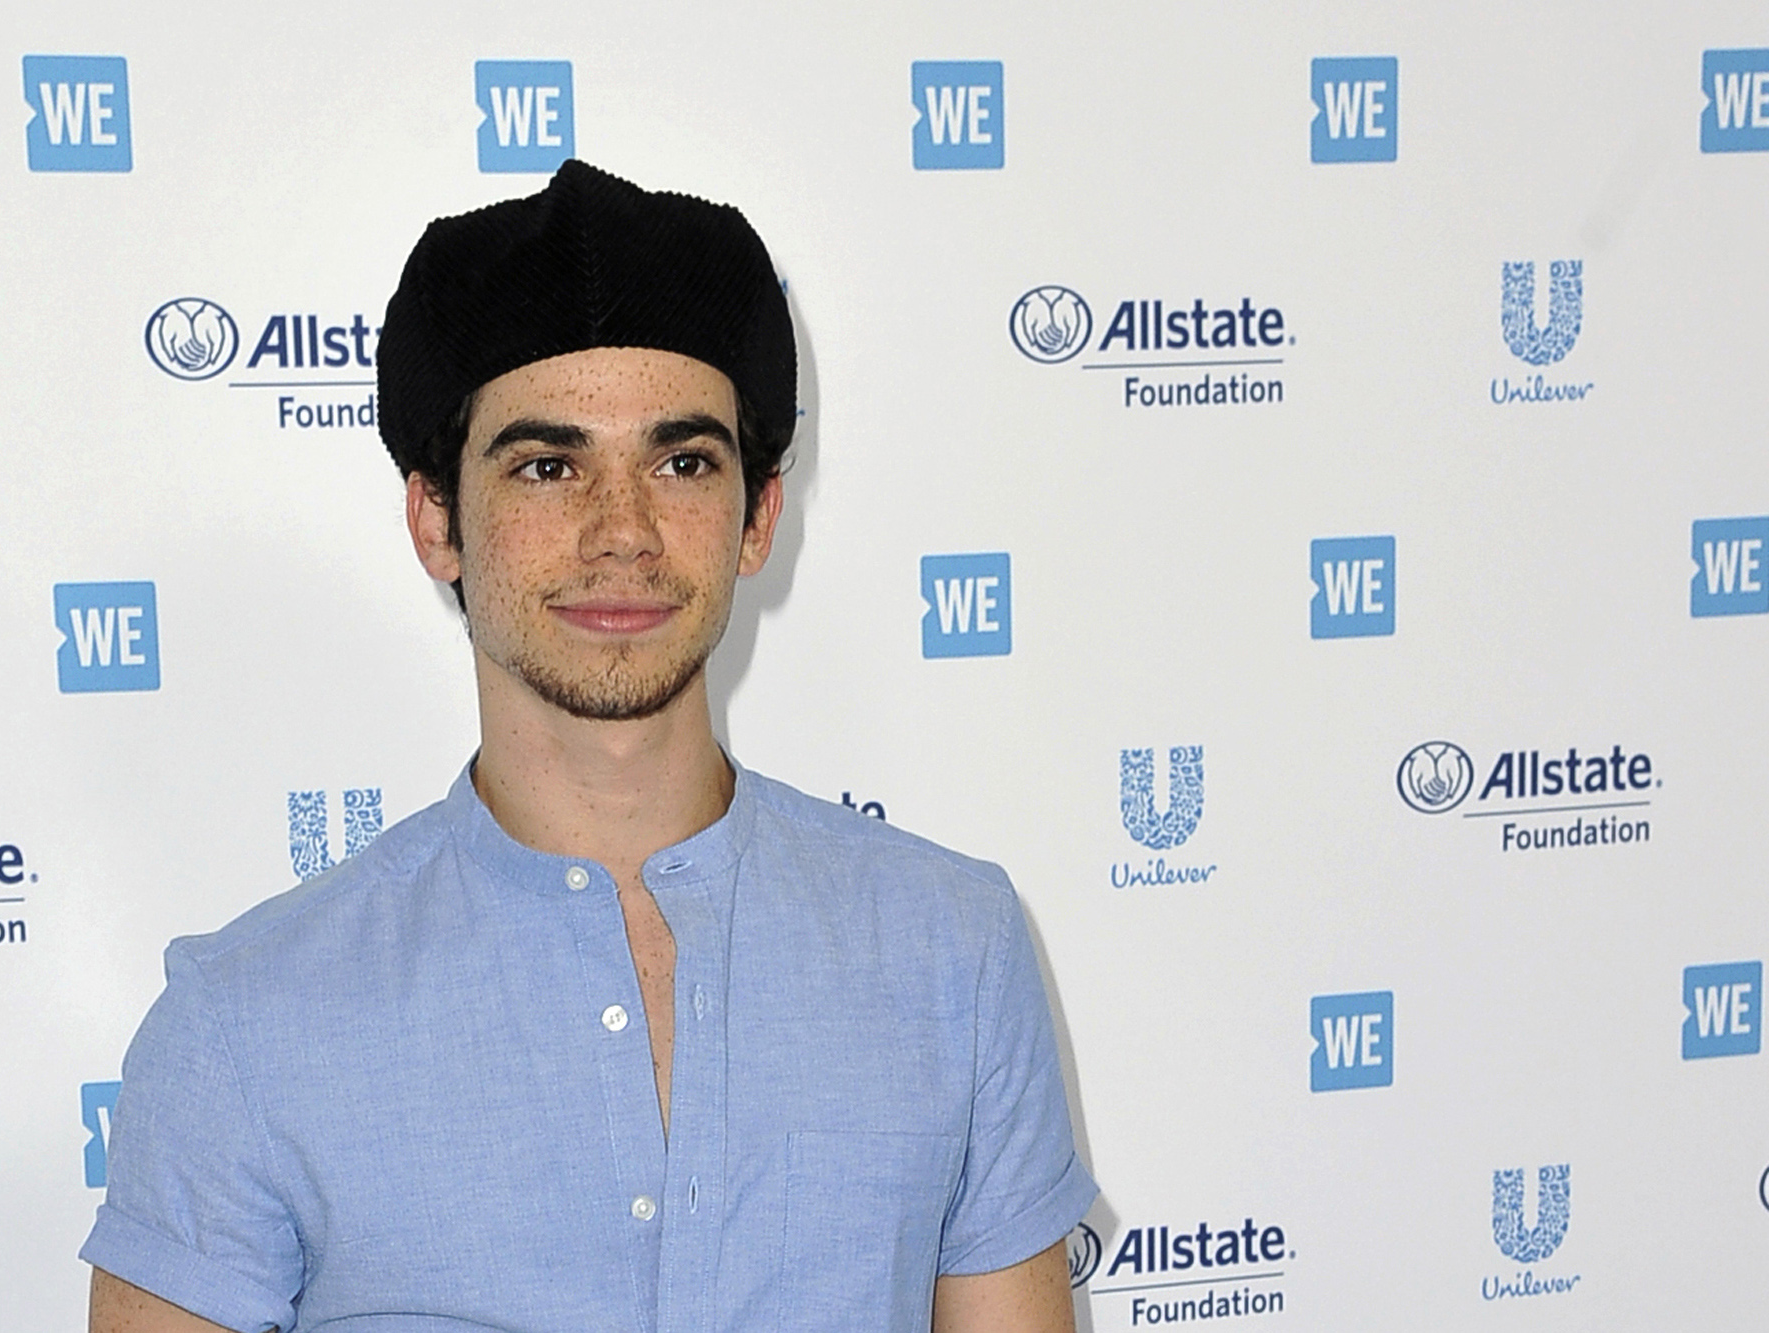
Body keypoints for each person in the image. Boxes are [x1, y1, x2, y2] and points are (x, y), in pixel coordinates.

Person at [82, 160, 1097, 1333]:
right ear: (434, 518)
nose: (622, 531)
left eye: (681, 463)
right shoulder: (245, 1027)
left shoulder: (950, 954)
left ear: (758, 514)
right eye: (548, 466)